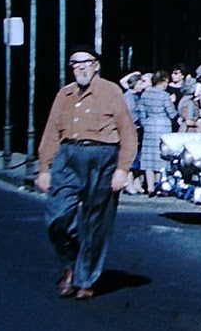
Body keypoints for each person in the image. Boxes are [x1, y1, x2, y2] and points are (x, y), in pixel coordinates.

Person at [35, 48, 138, 301]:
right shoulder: (65, 94)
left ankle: (85, 279)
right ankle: (72, 264)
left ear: (96, 66)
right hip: (68, 157)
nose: (80, 68)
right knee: (57, 218)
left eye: (86, 63)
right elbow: (51, 132)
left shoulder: (111, 91)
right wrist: (45, 168)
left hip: (102, 158)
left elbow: (127, 132)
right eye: (75, 64)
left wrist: (122, 169)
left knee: (95, 222)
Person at [136, 70, 176, 195]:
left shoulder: (145, 95)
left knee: (148, 159)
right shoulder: (164, 95)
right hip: (163, 126)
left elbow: (141, 113)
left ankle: (150, 187)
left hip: (149, 127)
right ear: (163, 81)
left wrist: (146, 124)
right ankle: (161, 185)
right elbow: (172, 113)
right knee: (161, 158)